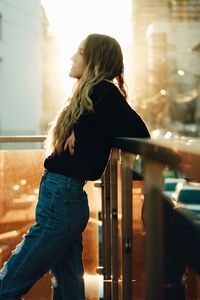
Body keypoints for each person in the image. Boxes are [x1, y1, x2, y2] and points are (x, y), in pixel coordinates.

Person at [0, 33, 150, 300]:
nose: (71, 57)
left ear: (94, 59)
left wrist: (88, 130)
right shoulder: (91, 95)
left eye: (79, 52)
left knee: (11, 279)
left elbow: (140, 133)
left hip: (63, 201)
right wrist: (82, 129)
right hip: (61, 198)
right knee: (68, 283)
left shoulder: (104, 92)